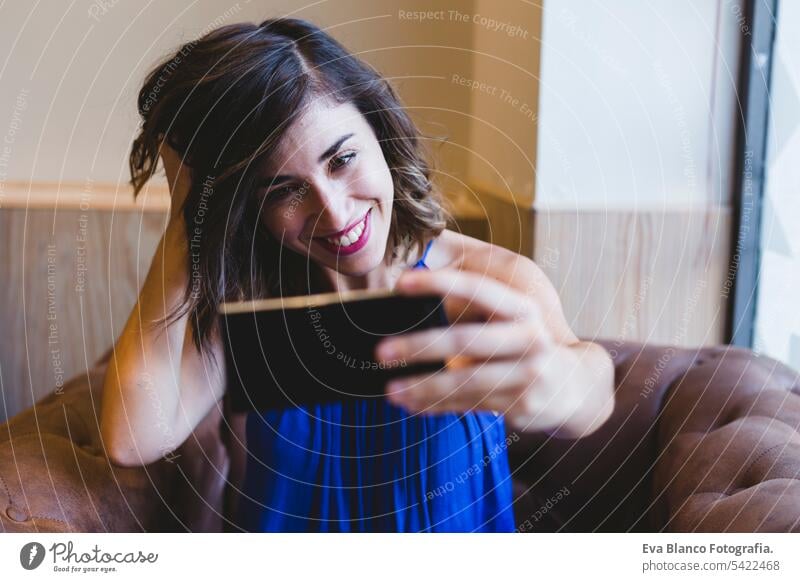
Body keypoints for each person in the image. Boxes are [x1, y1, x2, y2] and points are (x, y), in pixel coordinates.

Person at [100, 18, 615, 532]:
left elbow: (589, 392)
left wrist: (567, 384)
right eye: (282, 190)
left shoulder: (480, 279)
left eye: (342, 159)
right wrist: (189, 207)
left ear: (380, 133)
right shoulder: (250, 310)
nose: (335, 213)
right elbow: (132, 436)